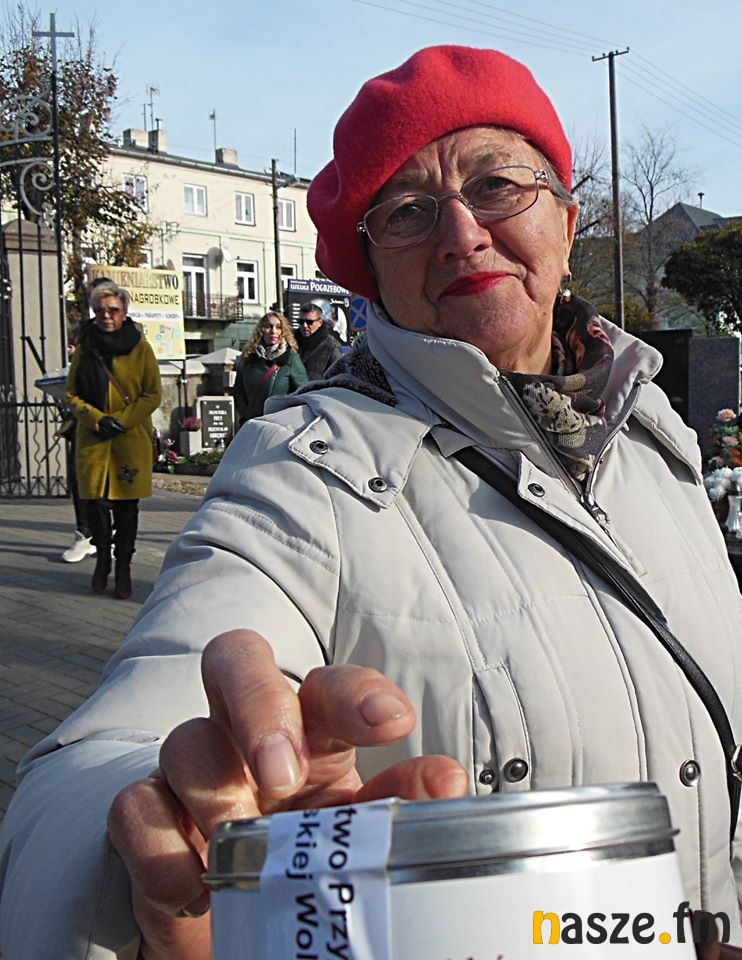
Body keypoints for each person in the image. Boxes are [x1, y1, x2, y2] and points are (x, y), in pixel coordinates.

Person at [1, 45, 741, 958]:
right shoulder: (301, 467)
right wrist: (149, 855)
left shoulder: (657, 434)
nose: (461, 234)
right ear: (371, 272)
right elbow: (105, 753)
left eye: (497, 185)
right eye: (409, 212)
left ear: (565, 218)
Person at [64, 281, 162, 600]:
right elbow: (71, 393)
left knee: (126, 509)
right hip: (93, 439)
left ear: (124, 311)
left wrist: (122, 419)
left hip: (129, 438)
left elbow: (152, 394)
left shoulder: (141, 348)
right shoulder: (85, 346)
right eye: (100, 310)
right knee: (94, 504)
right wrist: (96, 418)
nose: (106, 315)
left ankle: (123, 567)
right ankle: (102, 558)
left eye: (113, 310)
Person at [59, 326, 97, 563]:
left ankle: (107, 536)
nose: (70, 350)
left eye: (73, 345)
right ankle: (85, 533)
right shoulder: (76, 367)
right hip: (82, 430)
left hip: (108, 431)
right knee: (79, 480)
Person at [232, 311, 307, 425]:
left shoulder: (291, 359)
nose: (273, 331)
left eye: (279, 327)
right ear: (261, 330)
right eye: (268, 326)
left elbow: (303, 393)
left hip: (279, 425)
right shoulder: (248, 359)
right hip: (252, 423)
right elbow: (238, 392)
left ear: (283, 331)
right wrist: (246, 413)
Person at [296, 300, 343, 380]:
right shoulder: (291, 341)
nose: (305, 325)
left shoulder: (331, 346)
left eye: (309, 322)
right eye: (301, 321)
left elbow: (337, 377)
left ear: (320, 322)